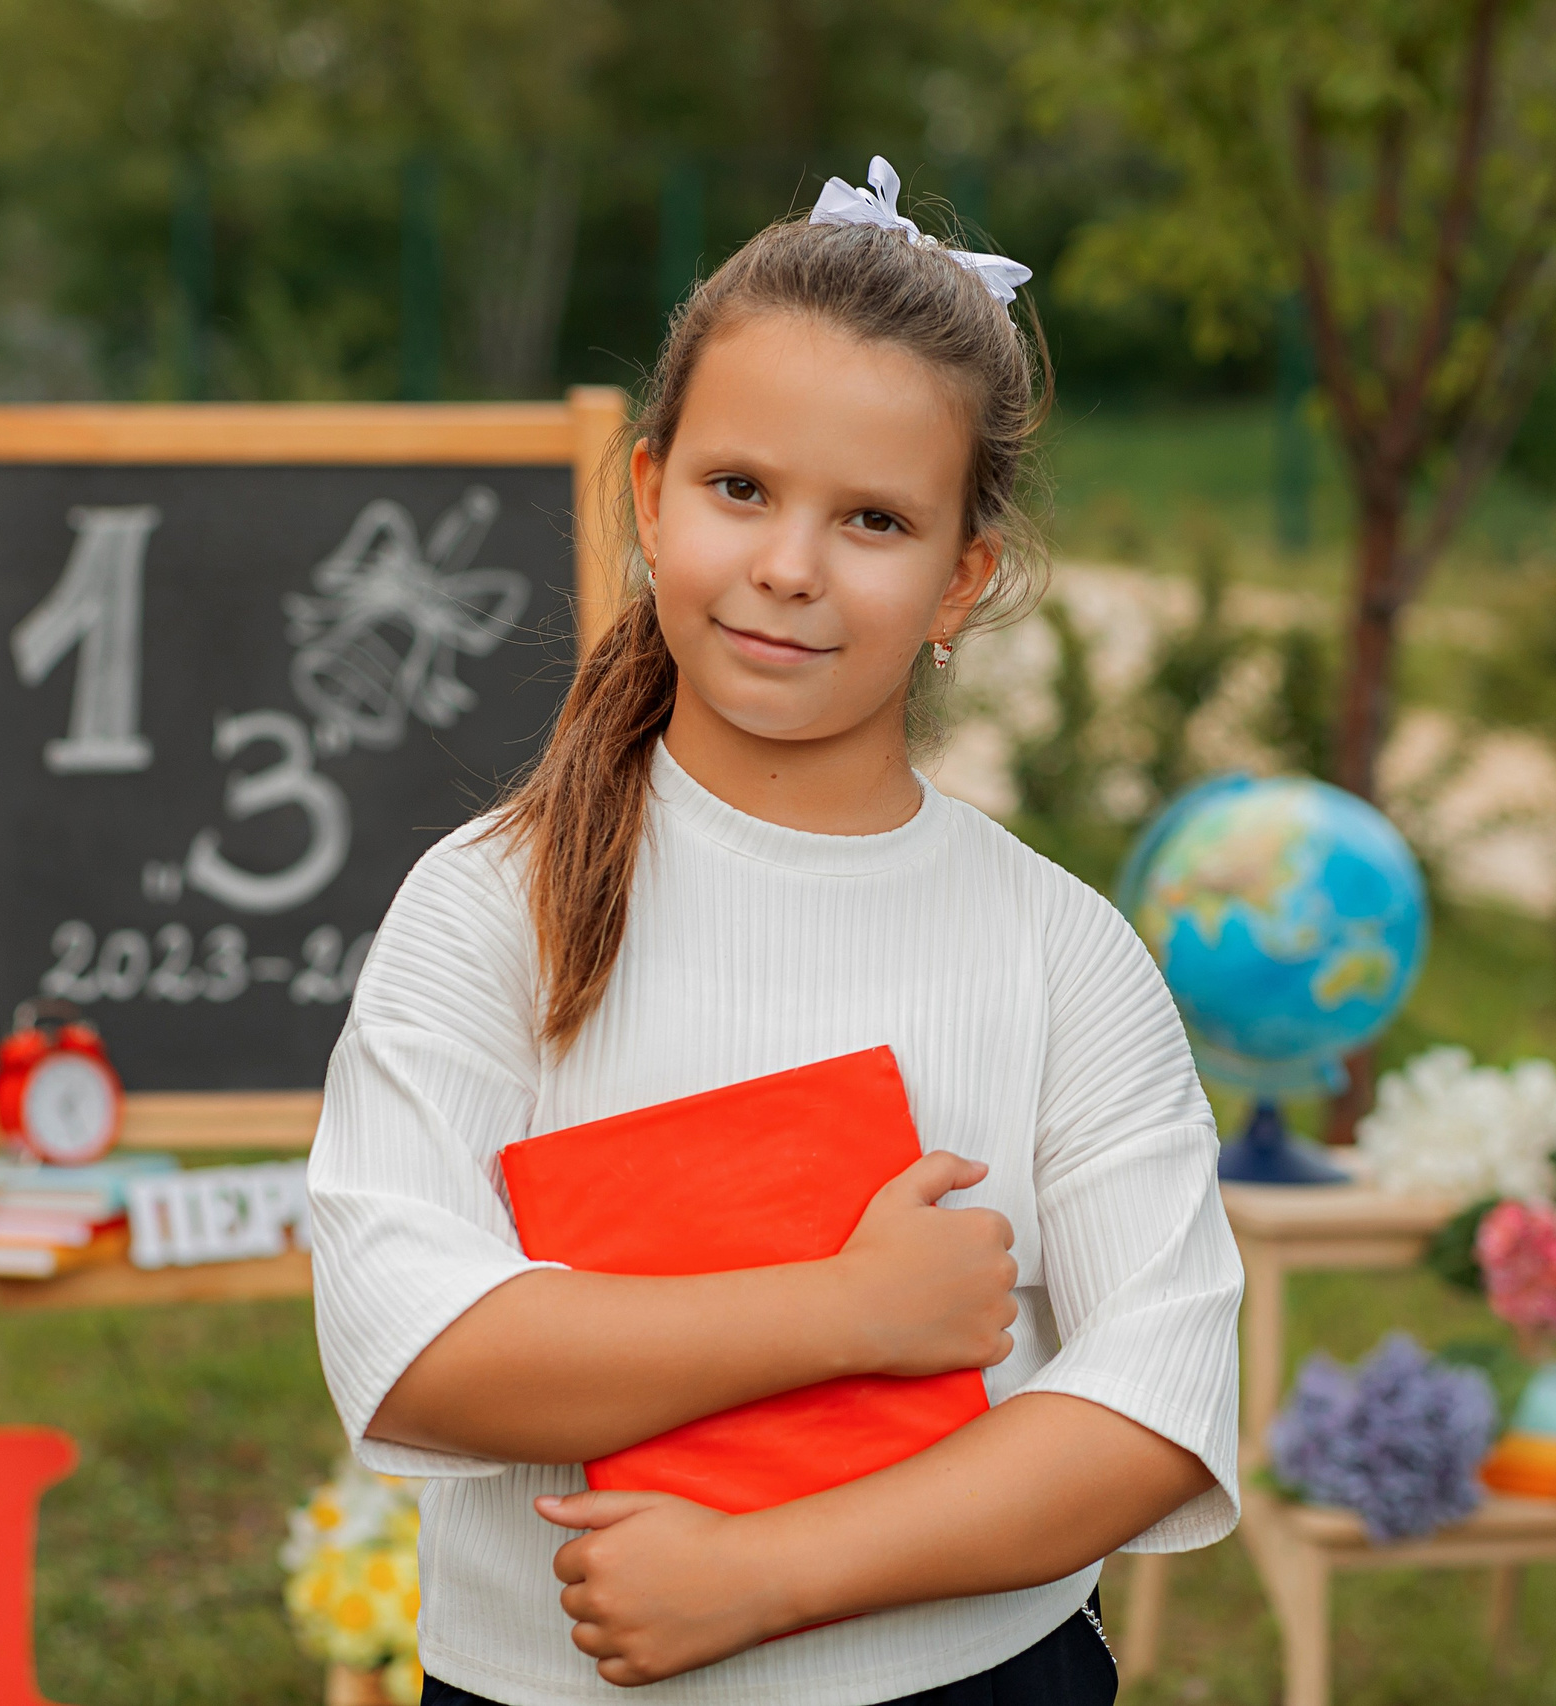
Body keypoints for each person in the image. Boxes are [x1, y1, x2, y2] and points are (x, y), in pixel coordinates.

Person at [309, 158, 1243, 1706]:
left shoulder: (1058, 949)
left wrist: (764, 1574)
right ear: (647, 493)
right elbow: (414, 1347)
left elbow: (1154, 1400)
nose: (792, 567)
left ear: (962, 578)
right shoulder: (490, 906)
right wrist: (848, 1311)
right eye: (741, 489)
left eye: (873, 519)